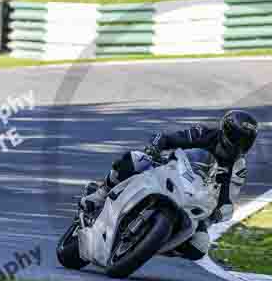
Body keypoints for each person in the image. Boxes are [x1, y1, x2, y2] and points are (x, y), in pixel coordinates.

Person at [81, 109, 258, 261]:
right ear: (226, 132)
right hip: (171, 172)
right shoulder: (204, 134)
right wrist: (155, 148)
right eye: (238, 138)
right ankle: (101, 194)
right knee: (137, 159)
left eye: (246, 141)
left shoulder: (238, 168)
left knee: (200, 246)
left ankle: (157, 243)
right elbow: (167, 139)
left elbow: (228, 199)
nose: (240, 144)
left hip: (195, 197)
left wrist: (218, 213)